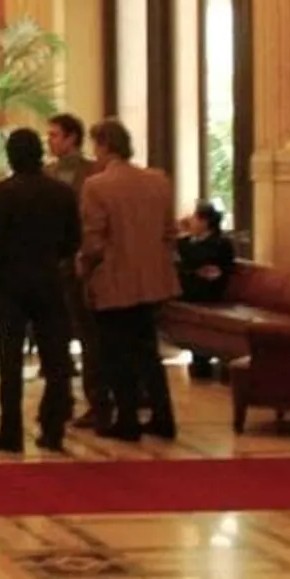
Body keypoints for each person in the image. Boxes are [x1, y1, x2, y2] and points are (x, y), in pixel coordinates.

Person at [78, 118, 181, 443]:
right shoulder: (158, 181)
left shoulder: (97, 186)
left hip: (114, 278)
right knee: (148, 351)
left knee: (114, 352)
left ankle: (127, 419)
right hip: (152, 280)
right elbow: (169, 232)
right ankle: (163, 417)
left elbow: (94, 239)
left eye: (96, 146)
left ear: (105, 145)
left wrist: (85, 268)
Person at [0, 128, 79, 454]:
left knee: (10, 362)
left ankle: (11, 432)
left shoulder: (3, 192)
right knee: (55, 359)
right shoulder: (61, 192)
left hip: (10, 285)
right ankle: (53, 429)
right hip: (48, 281)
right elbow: (72, 240)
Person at [46, 112, 108, 429]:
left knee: (89, 336)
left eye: (55, 135)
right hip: (52, 264)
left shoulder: (94, 173)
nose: (50, 140)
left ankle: (98, 402)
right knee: (55, 339)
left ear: (72, 138)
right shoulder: (48, 173)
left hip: (82, 264)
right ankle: (60, 402)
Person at [177, 202, 236, 303]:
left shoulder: (220, 244)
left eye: (193, 218)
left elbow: (214, 270)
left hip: (206, 289)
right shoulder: (184, 241)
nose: (189, 222)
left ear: (204, 222)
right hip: (185, 284)